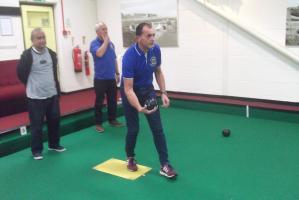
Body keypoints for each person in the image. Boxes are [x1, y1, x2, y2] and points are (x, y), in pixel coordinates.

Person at [121, 22, 177, 179]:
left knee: (157, 129)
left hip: (148, 91)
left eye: (153, 35)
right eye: (149, 36)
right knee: (133, 129)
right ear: (139, 38)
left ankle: (164, 164)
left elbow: (158, 71)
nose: (153, 38)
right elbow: (128, 89)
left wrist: (164, 92)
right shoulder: (129, 56)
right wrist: (139, 108)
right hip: (130, 92)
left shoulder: (155, 49)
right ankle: (130, 157)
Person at [17, 28, 66, 160]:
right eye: (38, 38)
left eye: (43, 37)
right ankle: (36, 150)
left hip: (52, 95)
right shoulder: (27, 56)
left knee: (54, 121)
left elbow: (54, 74)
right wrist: (33, 85)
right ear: (32, 40)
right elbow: (21, 74)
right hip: (35, 97)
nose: (42, 40)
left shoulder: (51, 54)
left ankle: (54, 144)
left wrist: (57, 90)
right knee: (37, 125)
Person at [90, 22, 124, 133]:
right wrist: (105, 42)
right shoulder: (94, 44)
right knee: (99, 102)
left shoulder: (111, 44)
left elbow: (114, 59)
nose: (105, 31)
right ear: (97, 32)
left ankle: (112, 120)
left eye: (106, 29)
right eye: (103, 29)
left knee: (112, 100)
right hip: (100, 79)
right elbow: (99, 54)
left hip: (111, 78)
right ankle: (98, 123)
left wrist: (117, 73)